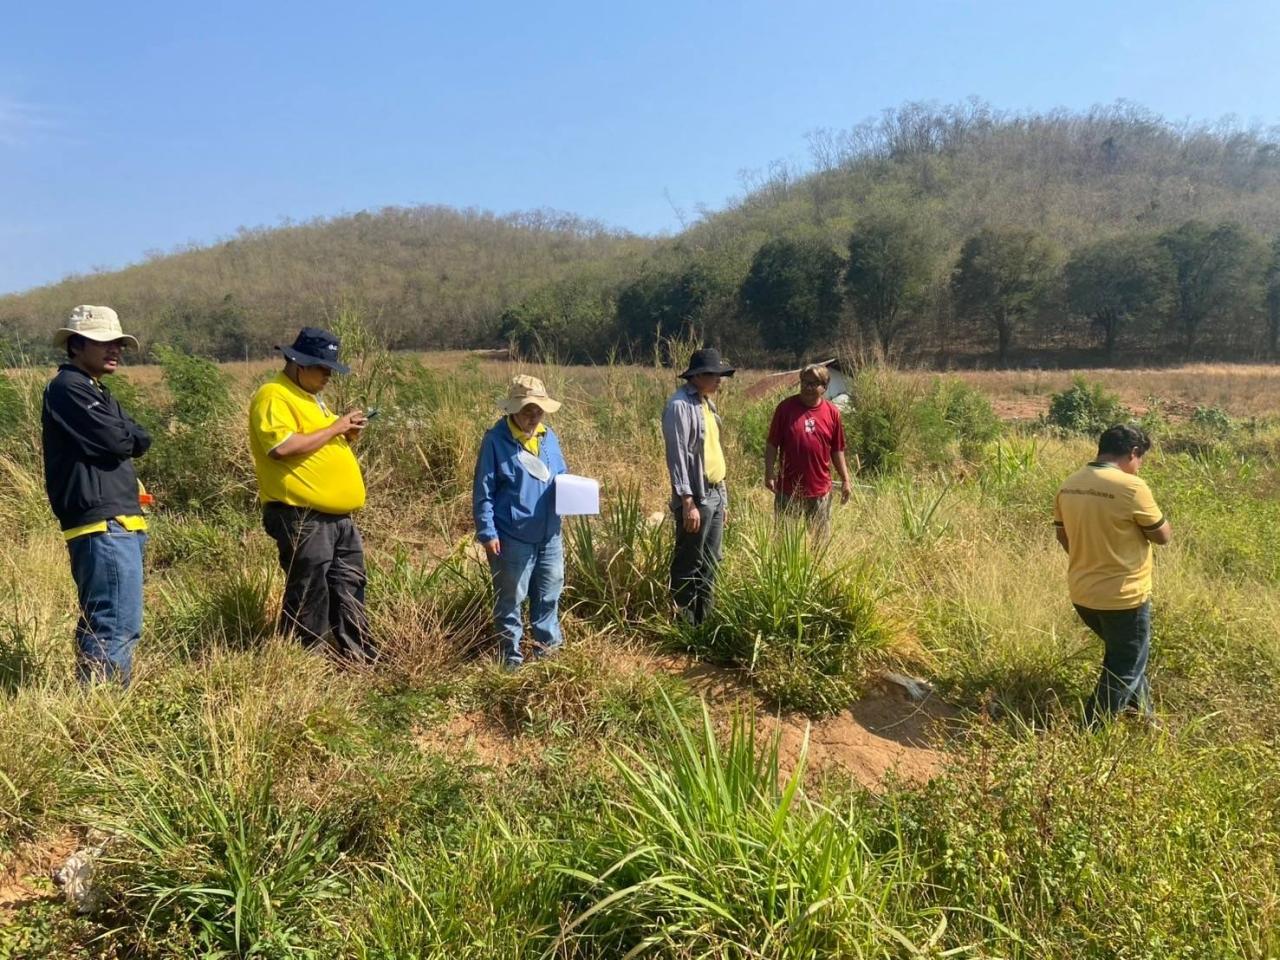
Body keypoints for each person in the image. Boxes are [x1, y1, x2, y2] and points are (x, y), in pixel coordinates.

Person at [248, 327, 375, 661]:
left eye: (331, 369)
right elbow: (281, 447)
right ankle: (304, 663)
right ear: (297, 363)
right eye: (322, 368)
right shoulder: (274, 395)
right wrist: (335, 427)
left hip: (337, 517)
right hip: (302, 515)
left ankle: (358, 656)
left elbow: (317, 443)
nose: (328, 376)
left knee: (348, 583)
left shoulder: (311, 399)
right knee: (309, 590)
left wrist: (346, 434)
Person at [41, 306, 152, 685]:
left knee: (113, 620)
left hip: (117, 520)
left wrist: (124, 434)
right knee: (114, 624)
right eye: (104, 342)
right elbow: (119, 439)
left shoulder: (94, 389)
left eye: (118, 343)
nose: (115, 349)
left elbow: (140, 437)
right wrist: (123, 433)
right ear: (75, 344)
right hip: (102, 522)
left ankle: (95, 707)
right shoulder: (67, 387)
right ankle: (101, 716)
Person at [1053, 424, 1172, 726]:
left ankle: (1145, 718)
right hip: (1125, 598)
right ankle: (1090, 731)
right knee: (1125, 667)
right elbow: (1162, 536)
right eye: (1140, 459)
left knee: (1126, 657)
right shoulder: (1132, 487)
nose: (1139, 466)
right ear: (1133, 452)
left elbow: (1063, 536)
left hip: (1083, 594)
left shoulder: (1069, 483)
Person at [473, 375, 568, 669]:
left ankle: (547, 658)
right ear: (513, 409)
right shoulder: (495, 441)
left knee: (549, 595)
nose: (534, 416)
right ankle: (510, 662)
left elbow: (562, 472)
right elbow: (483, 491)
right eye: (528, 410)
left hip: (550, 534)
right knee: (511, 600)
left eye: (539, 410)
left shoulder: (547, 436)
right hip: (512, 537)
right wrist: (487, 532)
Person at [662, 347, 735, 626]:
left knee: (711, 561)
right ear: (698, 376)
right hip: (698, 496)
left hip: (715, 493)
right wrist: (688, 501)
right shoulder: (679, 405)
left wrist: (724, 500)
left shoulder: (706, 403)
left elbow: (715, 452)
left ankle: (705, 624)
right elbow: (678, 456)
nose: (719, 380)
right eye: (715, 375)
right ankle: (685, 627)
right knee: (689, 562)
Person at [764, 363, 853, 536]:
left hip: (819, 489)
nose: (807, 387)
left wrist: (845, 479)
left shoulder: (832, 413)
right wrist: (769, 473)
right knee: (785, 542)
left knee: (819, 543)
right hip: (788, 489)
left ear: (824, 387)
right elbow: (772, 444)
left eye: (813, 384)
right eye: (804, 382)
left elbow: (837, 449)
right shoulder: (785, 408)